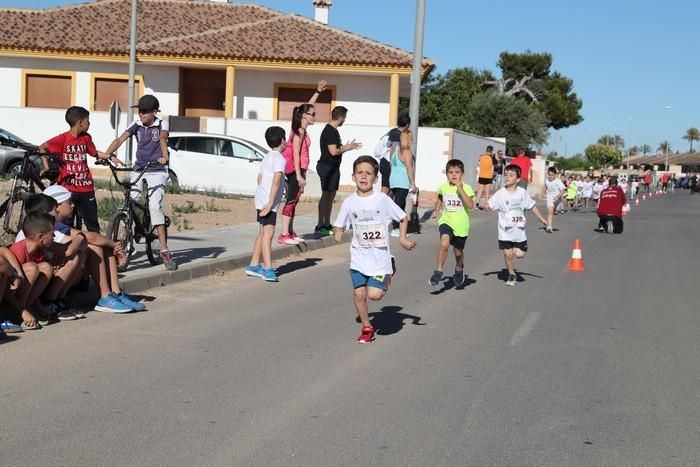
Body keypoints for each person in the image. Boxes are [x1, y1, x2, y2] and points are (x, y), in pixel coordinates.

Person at [333, 155, 416, 344]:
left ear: (376, 179)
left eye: (368, 173)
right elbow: (340, 224)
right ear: (353, 176)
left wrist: (402, 239)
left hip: (379, 259)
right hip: (358, 257)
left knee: (374, 296)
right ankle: (367, 327)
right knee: (359, 294)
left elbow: (403, 218)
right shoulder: (349, 202)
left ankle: (391, 266)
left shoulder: (382, 200)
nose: (363, 176)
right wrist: (337, 232)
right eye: (359, 173)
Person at [104, 94, 176, 270]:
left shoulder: (161, 124)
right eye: (140, 111)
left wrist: (164, 156)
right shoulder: (136, 125)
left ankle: (165, 250)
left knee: (153, 206)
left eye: (145, 112)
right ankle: (125, 239)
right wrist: (107, 154)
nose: (141, 115)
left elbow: (162, 139)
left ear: (154, 112)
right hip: (140, 167)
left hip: (157, 169)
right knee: (130, 200)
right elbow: (121, 139)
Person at [42, 186, 139, 313]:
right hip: (48, 277)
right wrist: (112, 244)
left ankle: (116, 292)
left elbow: (89, 237)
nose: (73, 206)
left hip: (58, 274)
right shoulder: (49, 227)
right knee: (93, 247)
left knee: (102, 246)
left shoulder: (58, 225)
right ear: (57, 206)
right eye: (69, 202)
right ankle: (104, 297)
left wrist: (112, 245)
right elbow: (87, 238)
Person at [39, 106, 120, 233]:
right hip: (68, 188)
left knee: (92, 223)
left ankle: (95, 249)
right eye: (88, 120)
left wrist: (109, 156)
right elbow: (42, 148)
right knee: (66, 223)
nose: (89, 123)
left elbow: (94, 153)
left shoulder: (86, 138)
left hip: (86, 187)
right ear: (80, 122)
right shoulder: (62, 139)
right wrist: (46, 166)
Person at [278, 80, 327, 245]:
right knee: (291, 200)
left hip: (300, 170)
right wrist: (299, 176)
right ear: (305, 117)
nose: (314, 117)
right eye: (312, 115)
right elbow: (296, 155)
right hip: (295, 170)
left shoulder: (301, 128)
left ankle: (290, 232)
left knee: (295, 200)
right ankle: (284, 234)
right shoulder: (299, 132)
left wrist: (318, 92)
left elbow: (307, 107)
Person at [485, 164, 547, 286]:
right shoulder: (500, 193)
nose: (507, 177)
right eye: (506, 175)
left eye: (511, 175)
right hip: (504, 231)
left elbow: (532, 206)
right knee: (508, 254)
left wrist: (542, 219)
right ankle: (511, 273)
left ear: (518, 179)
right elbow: (490, 204)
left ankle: (519, 250)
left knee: (519, 254)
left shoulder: (522, 193)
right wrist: (486, 206)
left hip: (519, 232)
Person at [245, 126, 287, 282]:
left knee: (262, 233)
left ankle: (254, 265)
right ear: (282, 140)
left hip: (261, 199)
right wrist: (270, 202)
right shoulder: (279, 159)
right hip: (268, 202)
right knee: (268, 235)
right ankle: (268, 269)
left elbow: (259, 179)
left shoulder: (267, 156)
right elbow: (276, 180)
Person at [314, 106, 361, 236]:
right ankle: (320, 225)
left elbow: (336, 148)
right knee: (326, 195)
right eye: (344, 117)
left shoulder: (333, 131)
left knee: (331, 195)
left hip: (333, 167)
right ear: (340, 117)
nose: (344, 120)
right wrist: (347, 148)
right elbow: (333, 151)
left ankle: (327, 223)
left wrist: (346, 146)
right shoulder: (329, 131)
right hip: (327, 167)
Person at [5, 213, 56, 329]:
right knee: (32, 268)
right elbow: (6, 289)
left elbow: (32, 284)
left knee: (46, 267)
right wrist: (22, 310)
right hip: (8, 298)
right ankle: (19, 312)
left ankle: (28, 307)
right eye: (52, 234)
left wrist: (38, 306)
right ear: (40, 237)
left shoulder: (39, 251)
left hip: (21, 298)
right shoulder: (18, 250)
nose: (54, 237)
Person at [429, 159, 475, 287]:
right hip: (446, 221)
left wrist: (460, 189)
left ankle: (459, 268)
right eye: (450, 172)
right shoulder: (444, 187)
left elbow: (471, 205)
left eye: (457, 172)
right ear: (446, 174)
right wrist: (436, 210)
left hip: (461, 225)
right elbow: (440, 196)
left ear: (462, 173)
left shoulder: (467, 188)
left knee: (458, 252)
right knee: (444, 243)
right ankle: (438, 270)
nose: (454, 175)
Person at [388, 130, 417, 237]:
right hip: (402, 182)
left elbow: (391, 164)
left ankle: (401, 228)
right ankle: (396, 228)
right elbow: (409, 168)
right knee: (398, 205)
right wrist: (413, 183)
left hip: (394, 180)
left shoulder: (396, 150)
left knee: (400, 204)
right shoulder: (407, 152)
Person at [378, 115, 411, 195]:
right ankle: (378, 206)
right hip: (388, 163)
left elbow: (388, 144)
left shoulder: (393, 131)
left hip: (384, 161)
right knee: (386, 188)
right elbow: (393, 151)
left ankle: (385, 206)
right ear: (407, 124)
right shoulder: (398, 135)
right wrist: (393, 166)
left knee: (390, 188)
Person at [541, 167, 565, 232]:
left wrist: (558, 196)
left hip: (557, 198)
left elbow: (563, 190)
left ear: (555, 175)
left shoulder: (558, 181)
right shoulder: (546, 180)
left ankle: (555, 209)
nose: (550, 176)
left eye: (552, 175)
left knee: (556, 210)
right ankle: (549, 226)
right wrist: (542, 193)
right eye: (549, 175)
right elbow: (545, 186)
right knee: (550, 212)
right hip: (550, 197)